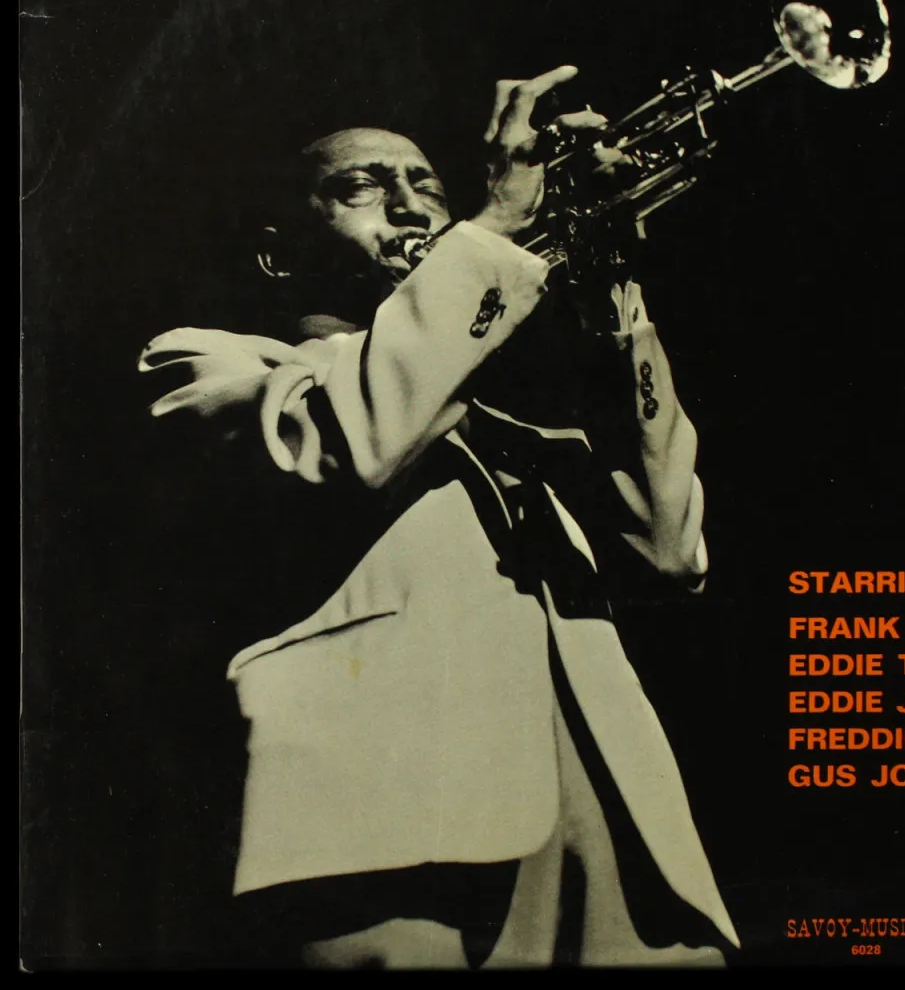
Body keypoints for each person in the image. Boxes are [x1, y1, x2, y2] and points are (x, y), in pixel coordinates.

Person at [138, 65, 738, 968]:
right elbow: (351, 444)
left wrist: (614, 295)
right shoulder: (206, 366)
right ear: (279, 252)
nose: (412, 205)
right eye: (363, 186)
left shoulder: (501, 428)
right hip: (390, 830)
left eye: (428, 185)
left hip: (622, 852)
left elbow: (669, 552)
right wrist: (492, 229)